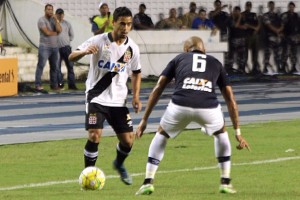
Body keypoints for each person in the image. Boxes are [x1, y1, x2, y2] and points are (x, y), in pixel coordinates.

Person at [135, 36, 250, 195]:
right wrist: (238, 132)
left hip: (179, 105)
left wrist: (144, 119)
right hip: (207, 107)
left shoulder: (179, 58)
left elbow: (158, 87)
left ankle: (148, 181)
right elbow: (230, 98)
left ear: (186, 50)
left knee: (162, 134)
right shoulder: (215, 62)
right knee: (221, 132)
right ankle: (225, 182)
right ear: (204, 50)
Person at [68, 7, 142, 185]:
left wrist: (136, 97)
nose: (125, 27)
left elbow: (137, 73)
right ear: (114, 23)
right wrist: (84, 52)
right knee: (94, 135)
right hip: (96, 97)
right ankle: (88, 174)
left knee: (128, 141)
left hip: (118, 100)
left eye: (129, 24)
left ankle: (119, 163)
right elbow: (72, 56)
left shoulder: (132, 49)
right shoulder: (98, 40)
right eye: (122, 23)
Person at [35, 4, 62, 91]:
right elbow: (47, 32)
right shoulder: (41, 20)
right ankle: (38, 85)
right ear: (45, 10)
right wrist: (56, 33)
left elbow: (59, 30)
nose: (50, 11)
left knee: (54, 67)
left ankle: (54, 85)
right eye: (48, 9)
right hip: (45, 47)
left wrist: (56, 20)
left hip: (55, 47)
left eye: (51, 10)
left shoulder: (54, 20)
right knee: (41, 65)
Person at [55, 8, 78, 90]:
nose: (60, 15)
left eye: (61, 14)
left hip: (66, 48)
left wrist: (66, 41)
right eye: (58, 14)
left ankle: (72, 85)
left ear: (63, 15)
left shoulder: (67, 24)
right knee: (57, 67)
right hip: (56, 49)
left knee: (70, 66)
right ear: (56, 15)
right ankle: (60, 84)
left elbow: (72, 36)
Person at [262, 1, 284, 74]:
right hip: (269, 37)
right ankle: (265, 68)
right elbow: (268, 25)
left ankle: (278, 68)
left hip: (277, 38)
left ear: (274, 6)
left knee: (277, 54)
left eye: (272, 5)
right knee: (267, 54)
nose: (271, 6)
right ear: (268, 6)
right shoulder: (266, 15)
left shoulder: (277, 15)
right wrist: (277, 31)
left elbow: (282, 24)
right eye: (270, 5)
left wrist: (279, 30)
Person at [227, 6, 248, 74]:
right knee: (232, 55)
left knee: (241, 55)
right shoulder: (231, 18)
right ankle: (230, 69)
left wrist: (239, 25)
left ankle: (241, 68)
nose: (237, 13)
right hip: (233, 39)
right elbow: (235, 25)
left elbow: (245, 27)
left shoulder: (243, 18)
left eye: (238, 11)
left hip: (242, 39)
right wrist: (239, 18)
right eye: (236, 11)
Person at [242, 1, 261, 75]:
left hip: (254, 35)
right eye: (247, 6)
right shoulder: (243, 14)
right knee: (245, 53)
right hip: (246, 35)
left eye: (249, 6)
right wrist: (254, 27)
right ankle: (243, 68)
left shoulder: (254, 14)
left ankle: (254, 68)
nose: (248, 7)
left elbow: (258, 24)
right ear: (245, 6)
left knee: (255, 52)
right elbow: (245, 25)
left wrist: (256, 29)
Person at [280, 2, 299, 74]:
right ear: (288, 7)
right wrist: (281, 33)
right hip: (287, 36)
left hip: (295, 37)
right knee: (286, 52)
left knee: (294, 53)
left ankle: (293, 67)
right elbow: (281, 25)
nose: (291, 8)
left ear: (294, 7)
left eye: (292, 7)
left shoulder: (296, 15)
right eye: (290, 7)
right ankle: (283, 67)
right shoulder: (285, 15)